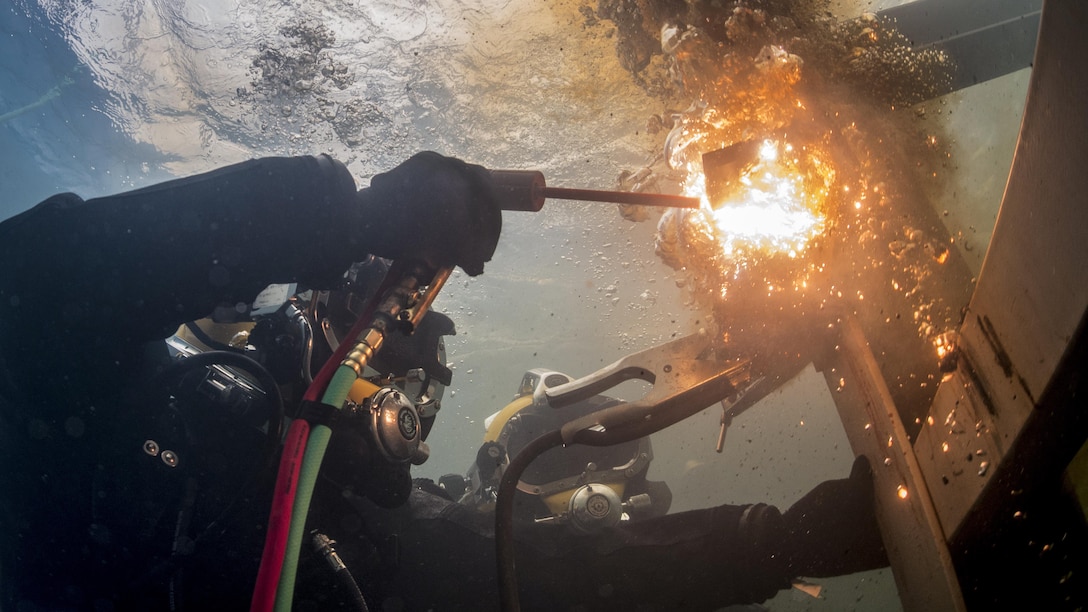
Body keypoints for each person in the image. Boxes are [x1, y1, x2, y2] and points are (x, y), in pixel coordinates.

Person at [0, 151, 885, 611]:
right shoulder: (84, 401)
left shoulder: (327, 516)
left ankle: (519, 460)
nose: (394, 413)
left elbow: (546, 574)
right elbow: (43, 283)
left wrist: (772, 542)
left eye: (406, 408)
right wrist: (335, 213)